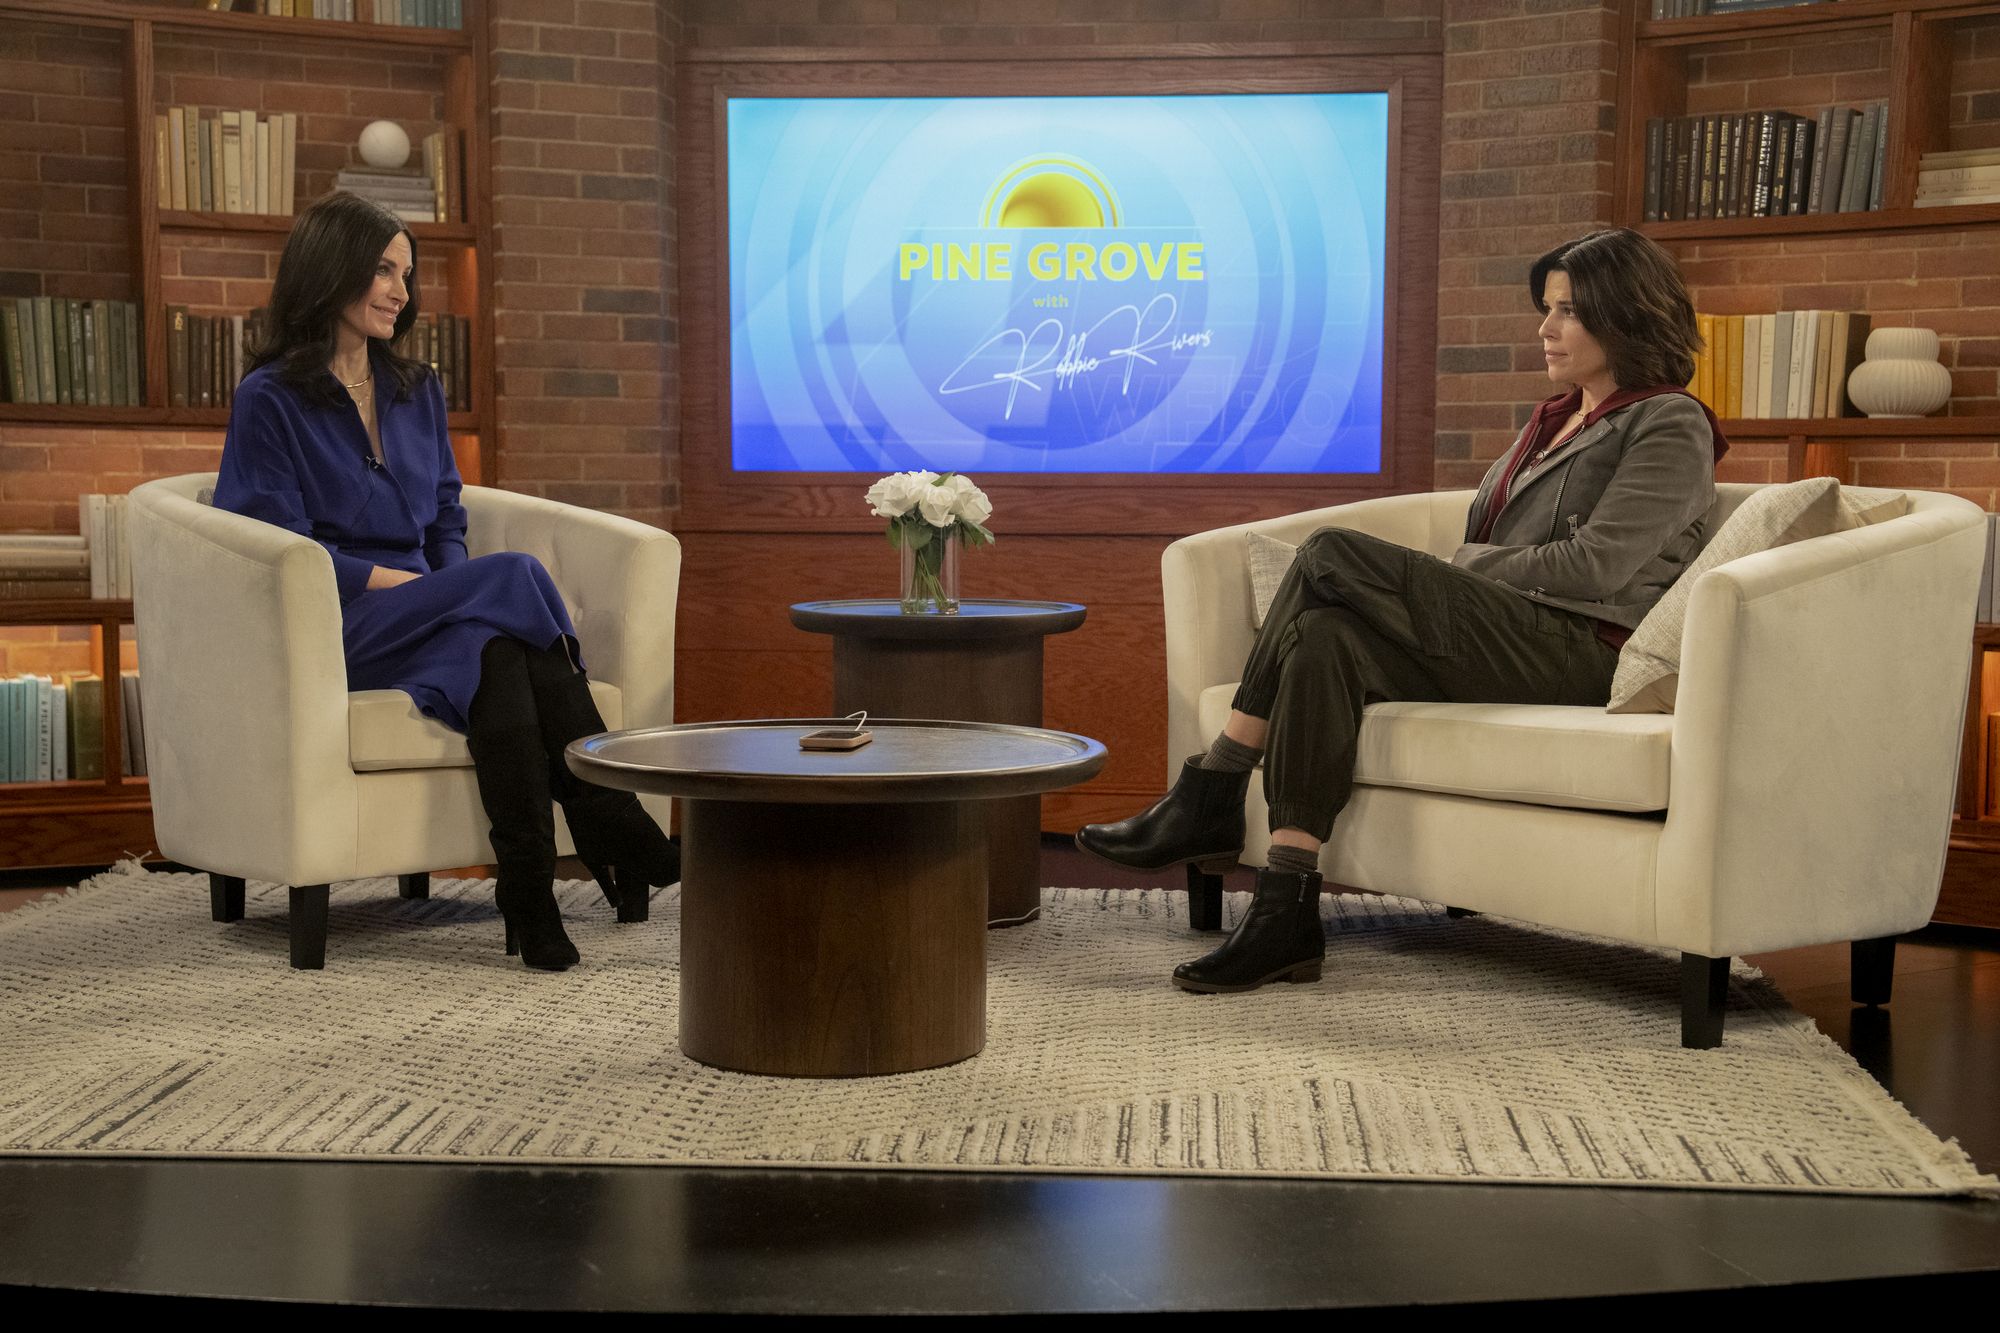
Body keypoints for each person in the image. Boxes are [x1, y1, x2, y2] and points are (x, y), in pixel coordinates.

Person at [1077, 227, 1727, 995]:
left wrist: (1463, 568)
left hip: (1582, 651)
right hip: (1511, 634)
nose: (1545, 329)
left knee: (1329, 552)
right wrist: (1468, 575)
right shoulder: (1552, 421)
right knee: (1323, 635)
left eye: (1568, 312)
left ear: (1624, 316)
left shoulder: (1668, 422)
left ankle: (1212, 784)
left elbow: (1598, 566)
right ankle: (1286, 909)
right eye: (1546, 309)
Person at [213, 191, 677, 972]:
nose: (400, 289)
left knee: (495, 647)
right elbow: (276, 546)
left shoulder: (416, 388)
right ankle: (607, 813)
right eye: (383, 269)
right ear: (331, 270)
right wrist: (404, 584)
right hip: (338, 623)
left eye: (407, 272)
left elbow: (446, 519)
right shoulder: (269, 399)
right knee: (517, 574)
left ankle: (527, 890)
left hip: (430, 615)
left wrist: (455, 597)